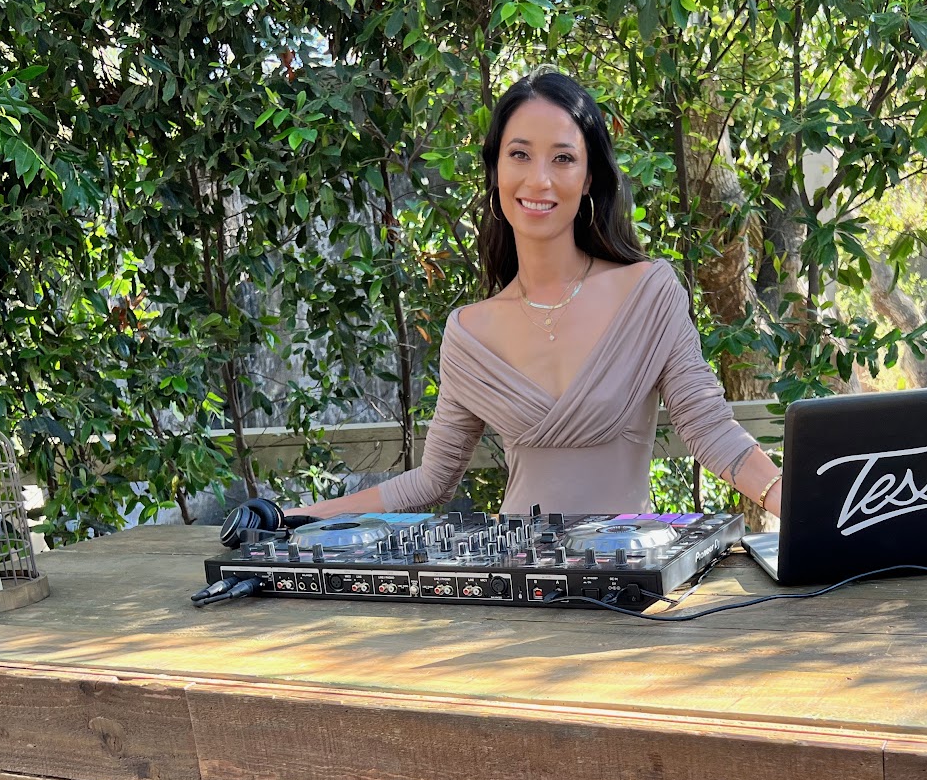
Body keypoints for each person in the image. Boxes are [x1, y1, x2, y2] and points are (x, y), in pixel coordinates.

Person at [300, 71, 784, 521]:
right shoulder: (469, 332)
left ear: (589, 177)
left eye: (563, 158)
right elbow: (432, 481)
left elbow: (711, 430)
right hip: (515, 573)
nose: (539, 180)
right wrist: (296, 518)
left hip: (631, 572)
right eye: (520, 155)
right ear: (495, 170)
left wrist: (808, 508)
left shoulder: (648, 293)